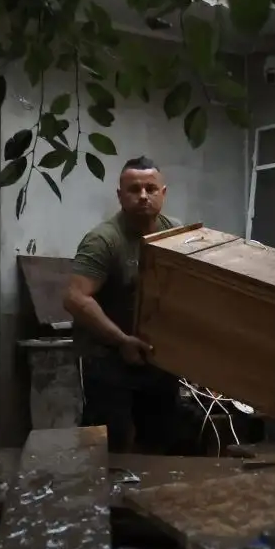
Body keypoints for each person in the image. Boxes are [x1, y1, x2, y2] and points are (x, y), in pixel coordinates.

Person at [63, 156, 184, 454]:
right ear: (120, 195)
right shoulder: (103, 240)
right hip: (108, 358)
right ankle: (103, 500)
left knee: (162, 442)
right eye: (134, 189)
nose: (143, 196)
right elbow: (76, 298)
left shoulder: (176, 232)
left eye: (151, 188)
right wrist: (121, 341)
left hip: (157, 357)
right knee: (108, 447)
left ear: (163, 193)